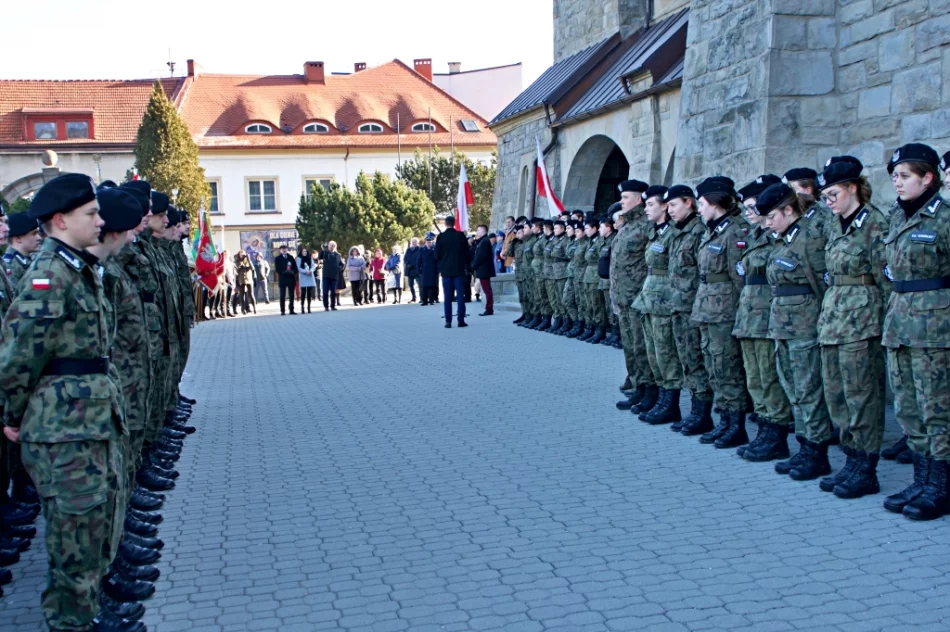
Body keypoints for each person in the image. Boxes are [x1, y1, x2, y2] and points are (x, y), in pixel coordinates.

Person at [0, 174, 141, 632]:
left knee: (93, 527)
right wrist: (13, 415)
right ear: (60, 220)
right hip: (63, 429)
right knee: (73, 539)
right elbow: (17, 354)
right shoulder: (49, 275)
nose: (101, 222)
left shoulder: (74, 267)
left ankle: (90, 613)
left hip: (86, 423)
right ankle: (73, 623)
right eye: (91, 215)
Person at [881, 143, 950, 521]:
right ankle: (922, 478)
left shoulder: (945, 218)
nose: (898, 182)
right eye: (895, 176)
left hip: (935, 328)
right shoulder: (897, 216)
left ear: (928, 177)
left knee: (936, 408)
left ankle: (941, 486)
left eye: (905, 175)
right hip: (900, 322)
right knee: (908, 408)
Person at [814, 157, 890, 499]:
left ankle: (866, 467)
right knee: (837, 395)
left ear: (853, 188)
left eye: (833, 195)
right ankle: (851, 459)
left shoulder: (875, 224)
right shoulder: (835, 225)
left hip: (862, 321)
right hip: (833, 320)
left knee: (863, 396)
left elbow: (886, 280)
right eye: (825, 197)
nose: (829, 202)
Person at [758, 183, 833, 481]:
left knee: (809, 389)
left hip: (805, 326)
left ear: (789, 210)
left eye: (772, 215)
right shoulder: (781, 240)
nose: (768, 222)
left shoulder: (810, 238)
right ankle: (804, 445)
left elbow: (822, 284)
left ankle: (817, 450)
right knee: (792, 388)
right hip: (782, 325)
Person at [733, 176, 795, 462]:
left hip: (767, 316)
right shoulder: (755, 235)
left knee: (769, 377)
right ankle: (765, 432)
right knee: (755, 378)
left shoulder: (778, 237)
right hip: (749, 315)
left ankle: (776, 434)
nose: (749, 213)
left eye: (752, 207)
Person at [691, 177, 750, 448]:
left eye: (702, 203)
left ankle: (736, 425)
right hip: (706, 309)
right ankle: (724, 420)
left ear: (715, 202)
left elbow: (739, 280)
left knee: (727, 367)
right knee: (714, 365)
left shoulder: (735, 232)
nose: (699, 208)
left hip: (724, 311)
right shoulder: (711, 230)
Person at [631, 185, 682, 425]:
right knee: (653, 353)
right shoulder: (656, 232)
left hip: (664, 301)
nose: (646, 209)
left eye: (651, 204)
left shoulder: (673, 233)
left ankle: (670, 403)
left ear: (664, 206)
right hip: (650, 298)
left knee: (665, 353)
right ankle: (661, 398)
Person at [665, 187, 712, 435]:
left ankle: (702, 414)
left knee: (696, 360)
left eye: (673, 205)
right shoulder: (679, 233)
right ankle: (696, 411)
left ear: (689, 203)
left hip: (695, 308)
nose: (670, 210)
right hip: (679, 307)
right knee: (687, 360)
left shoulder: (698, 232)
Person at [612, 180, 656, 409]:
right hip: (623, 298)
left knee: (641, 346)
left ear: (638, 199)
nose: (622, 202)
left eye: (626, 197)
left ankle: (649, 389)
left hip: (638, 297)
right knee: (630, 347)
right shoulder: (627, 226)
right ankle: (638, 386)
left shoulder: (646, 225)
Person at [435, 216, 470, 328]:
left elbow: (436, 255)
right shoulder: (460, 236)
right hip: (459, 270)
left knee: (447, 297)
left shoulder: (441, 237)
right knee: (460, 296)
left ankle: (448, 321)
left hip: (446, 271)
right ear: (454, 224)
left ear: (445, 224)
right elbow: (467, 253)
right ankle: (461, 320)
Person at [3, 211, 43, 290]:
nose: (39, 238)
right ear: (18, 238)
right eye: (34, 233)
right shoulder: (10, 265)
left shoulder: (26, 260)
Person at [471, 224, 496, 316]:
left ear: (483, 231)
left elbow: (480, 256)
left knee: (487, 290)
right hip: (483, 269)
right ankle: (489, 308)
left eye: (478, 230)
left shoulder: (485, 241)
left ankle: (489, 309)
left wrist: (472, 266)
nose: (477, 232)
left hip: (484, 269)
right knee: (486, 289)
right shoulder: (483, 241)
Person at [274, 245, 298, 315]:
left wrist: (293, 272)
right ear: (280, 250)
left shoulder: (290, 257)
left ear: (287, 249)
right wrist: (283, 272)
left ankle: (291, 310)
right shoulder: (277, 258)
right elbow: (277, 269)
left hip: (290, 278)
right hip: (283, 279)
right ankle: (282, 310)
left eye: (285, 249)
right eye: (282, 249)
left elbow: (295, 267)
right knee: (282, 295)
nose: (284, 250)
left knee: (291, 295)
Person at [321, 241, 342, 311]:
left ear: (335, 247)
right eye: (330, 245)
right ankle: (326, 306)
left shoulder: (338, 255)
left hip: (334, 276)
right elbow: (320, 256)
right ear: (328, 246)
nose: (332, 247)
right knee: (325, 292)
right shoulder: (325, 253)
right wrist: (323, 249)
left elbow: (341, 264)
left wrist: (340, 268)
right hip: (326, 275)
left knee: (333, 292)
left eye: (333, 245)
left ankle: (333, 305)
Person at [420, 233, 439, 305]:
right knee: (424, 286)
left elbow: (437, 260)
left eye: (430, 242)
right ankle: (424, 301)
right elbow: (419, 260)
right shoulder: (422, 250)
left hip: (433, 270)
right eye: (428, 242)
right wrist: (419, 269)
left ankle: (431, 300)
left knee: (432, 285)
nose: (429, 243)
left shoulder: (434, 250)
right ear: (425, 243)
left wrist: (438, 269)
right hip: (425, 270)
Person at [234, 250, 255, 315]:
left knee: (251, 294)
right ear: (239, 254)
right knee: (242, 295)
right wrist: (240, 264)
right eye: (241, 254)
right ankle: (243, 309)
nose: (242, 255)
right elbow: (236, 271)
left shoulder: (248, 261)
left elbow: (252, 268)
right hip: (241, 280)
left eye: (243, 254)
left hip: (249, 279)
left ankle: (254, 308)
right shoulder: (237, 261)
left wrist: (248, 259)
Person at [297, 246, 316, 313]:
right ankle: (302, 307)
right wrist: (305, 271)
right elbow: (298, 268)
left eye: (305, 251)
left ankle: (308, 307)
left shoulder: (309, 257)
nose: (304, 252)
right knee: (303, 293)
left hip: (310, 276)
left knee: (309, 293)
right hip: (303, 277)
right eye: (303, 251)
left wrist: (310, 271)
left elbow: (313, 265)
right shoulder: (299, 258)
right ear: (301, 252)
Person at [404, 237, 422, 303]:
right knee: (411, 285)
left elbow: (420, 259)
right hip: (409, 270)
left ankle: (422, 298)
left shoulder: (420, 249)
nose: (414, 243)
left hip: (416, 270)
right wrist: (407, 264)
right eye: (413, 242)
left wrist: (416, 265)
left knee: (420, 285)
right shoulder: (408, 250)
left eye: (415, 242)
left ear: (417, 243)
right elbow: (405, 258)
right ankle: (413, 298)